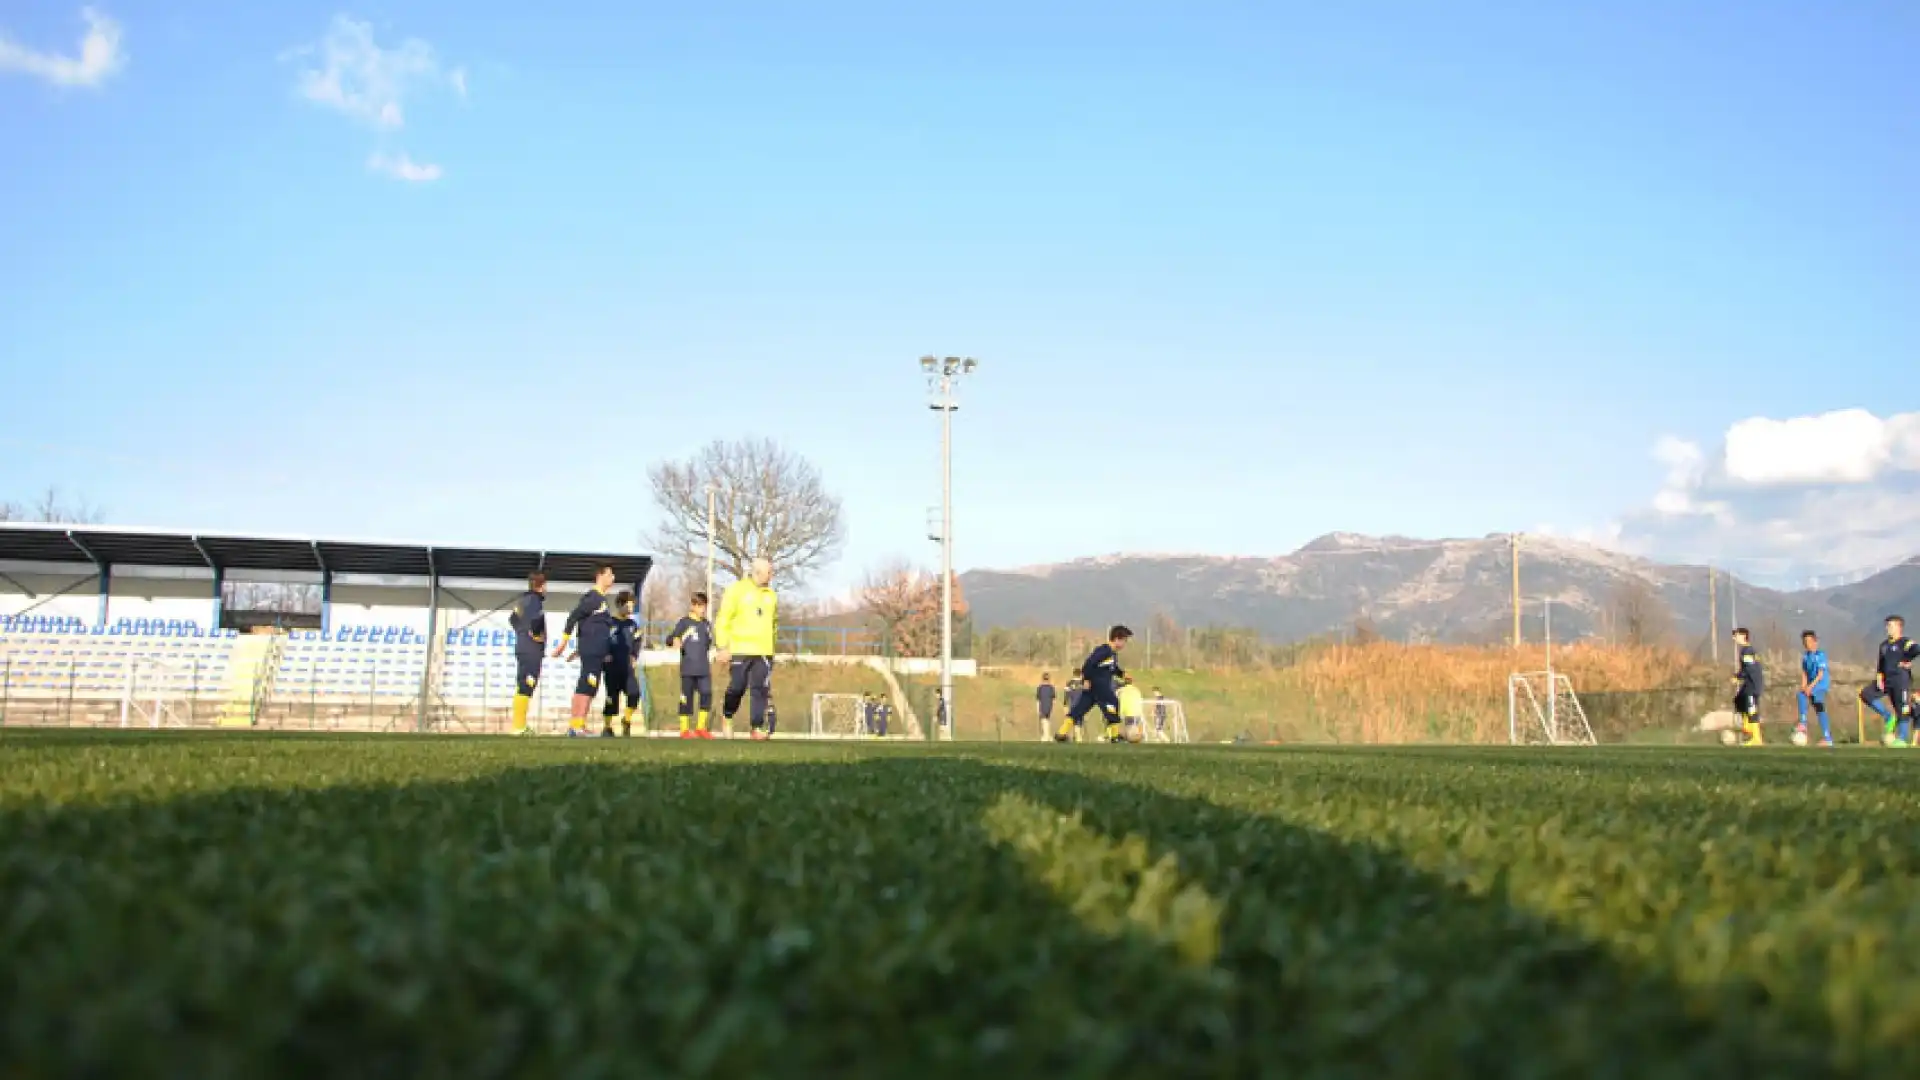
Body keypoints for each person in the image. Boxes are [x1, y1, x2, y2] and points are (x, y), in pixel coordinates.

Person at [716, 557, 778, 741]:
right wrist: (722, 646)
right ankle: (727, 715)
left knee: (760, 689)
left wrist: (772, 647)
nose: (772, 575)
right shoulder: (737, 590)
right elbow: (724, 618)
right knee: (737, 687)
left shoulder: (771, 595)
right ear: (757, 572)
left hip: (764, 650)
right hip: (740, 648)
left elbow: (774, 624)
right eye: (769, 572)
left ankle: (756, 727)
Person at [555, 564, 616, 738]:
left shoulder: (602, 601)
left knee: (591, 686)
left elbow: (590, 626)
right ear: (600, 576)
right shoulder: (593, 598)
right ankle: (576, 726)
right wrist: (564, 642)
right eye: (610, 574)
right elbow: (574, 617)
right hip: (592, 650)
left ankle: (579, 725)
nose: (613, 578)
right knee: (587, 684)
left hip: (596, 650)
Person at [1056, 625, 1132, 743]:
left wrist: (1122, 674)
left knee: (1079, 709)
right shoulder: (1104, 650)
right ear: (1117, 639)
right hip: (1098, 686)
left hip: (1093, 688)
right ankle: (1115, 736)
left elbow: (1112, 668)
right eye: (1124, 640)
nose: (1124, 644)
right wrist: (1086, 679)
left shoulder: (1112, 654)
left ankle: (1061, 733)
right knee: (1113, 703)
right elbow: (1088, 664)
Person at [1860, 615, 1918, 746]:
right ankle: (1888, 717)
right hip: (1886, 680)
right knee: (1866, 694)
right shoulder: (1884, 645)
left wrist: (1907, 659)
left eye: (1890, 626)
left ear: (1899, 627)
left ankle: (1902, 739)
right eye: (1887, 626)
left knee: (1902, 709)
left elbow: (1916, 649)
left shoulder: (1905, 642)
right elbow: (1881, 664)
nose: (1887, 628)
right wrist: (1879, 677)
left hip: (1900, 680)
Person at [665, 592, 715, 739]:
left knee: (706, 694)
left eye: (705, 606)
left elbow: (708, 644)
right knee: (686, 698)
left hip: (703, 668)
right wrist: (674, 641)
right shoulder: (684, 623)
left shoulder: (706, 624)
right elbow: (670, 638)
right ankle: (685, 729)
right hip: (688, 668)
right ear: (693, 606)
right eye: (700, 606)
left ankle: (701, 728)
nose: (703, 609)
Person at [507, 571, 547, 736]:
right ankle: (519, 727)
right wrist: (536, 635)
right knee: (527, 684)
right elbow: (537, 620)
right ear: (541, 586)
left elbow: (512, 619)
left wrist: (521, 632)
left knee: (522, 684)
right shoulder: (534, 601)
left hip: (522, 645)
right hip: (531, 648)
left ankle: (519, 725)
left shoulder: (522, 600)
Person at [600, 591, 644, 737]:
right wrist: (605, 653)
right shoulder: (609, 623)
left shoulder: (633, 625)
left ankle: (626, 720)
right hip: (612, 667)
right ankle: (607, 727)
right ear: (619, 605)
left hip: (627, 667)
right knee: (611, 697)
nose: (630, 609)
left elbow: (638, 641)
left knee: (634, 693)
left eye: (632, 606)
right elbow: (602, 640)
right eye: (628, 605)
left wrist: (634, 655)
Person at [1796, 630, 1833, 747]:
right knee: (1819, 708)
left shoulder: (1820, 655)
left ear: (1815, 641)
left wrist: (1810, 687)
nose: (1808, 644)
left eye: (1810, 641)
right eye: (1805, 641)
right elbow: (1804, 672)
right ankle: (1827, 738)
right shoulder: (1805, 657)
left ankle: (1803, 723)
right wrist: (1803, 685)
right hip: (1811, 685)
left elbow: (1820, 674)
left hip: (1821, 685)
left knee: (1803, 696)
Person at [1728, 627, 1763, 746]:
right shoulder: (1747, 650)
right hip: (1748, 685)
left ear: (1743, 636)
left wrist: (1737, 677)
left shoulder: (1747, 651)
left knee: (1752, 710)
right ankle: (1747, 730)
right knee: (1738, 701)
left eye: (1736, 635)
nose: (1734, 638)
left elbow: (1749, 669)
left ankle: (1756, 738)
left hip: (1752, 685)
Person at [1116, 676, 1145, 743]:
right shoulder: (1137, 690)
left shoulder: (1121, 690)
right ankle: (1136, 738)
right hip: (1137, 713)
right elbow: (1140, 701)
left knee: (1129, 734)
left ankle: (1132, 739)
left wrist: (1120, 714)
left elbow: (1120, 701)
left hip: (1128, 714)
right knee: (1133, 731)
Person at [1035, 674, 1056, 741]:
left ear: (1042, 679)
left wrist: (1037, 708)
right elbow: (1054, 699)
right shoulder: (1051, 688)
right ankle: (1048, 735)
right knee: (1047, 720)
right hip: (1049, 706)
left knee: (1044, 721)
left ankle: (1046, 736)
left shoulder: (1040, 688)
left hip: (1042, 705)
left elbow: (1038, 699)